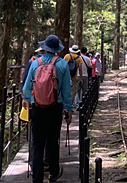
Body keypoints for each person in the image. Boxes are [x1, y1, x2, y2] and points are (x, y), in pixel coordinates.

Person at [22, 34, 73, 183]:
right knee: (52, 141)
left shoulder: (35, 63)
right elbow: (66, 91)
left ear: (45, 48)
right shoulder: (62, 64)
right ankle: (54, 173)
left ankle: (37, 178)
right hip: (55, 108)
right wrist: (69, 110)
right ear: (57, 49)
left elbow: (26, 88)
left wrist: (27, 101)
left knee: (37, 143)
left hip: (36, 107)